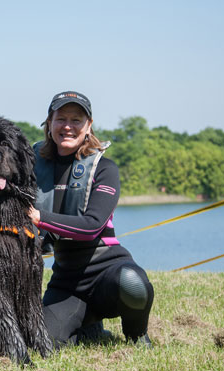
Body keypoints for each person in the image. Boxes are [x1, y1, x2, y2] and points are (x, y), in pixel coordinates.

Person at [29, 91, 153, 348]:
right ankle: (88, 328)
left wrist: (38, 217)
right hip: (67, 282)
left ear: (89, 126)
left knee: (133, 284)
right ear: (49, 123)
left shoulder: (105, 168)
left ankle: (137, 335)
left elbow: (92, 226)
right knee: (41, 343)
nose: (67, 126)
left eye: (76, 120)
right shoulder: (32, 165)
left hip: (109, 270)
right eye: (60, 118)